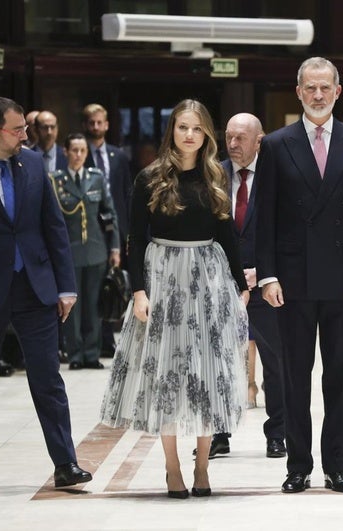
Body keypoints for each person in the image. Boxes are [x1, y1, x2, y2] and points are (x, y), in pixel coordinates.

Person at [99, 99, 250, 499]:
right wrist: (139, 291)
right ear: (172, 131)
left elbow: (228, 235)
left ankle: (202, 465)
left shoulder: (216, 174)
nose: (189, 135)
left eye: (197, 128)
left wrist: (240, 285)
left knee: (205, 373)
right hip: (163, 278)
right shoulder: (149, 177)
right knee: (166, 376)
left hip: (208, 279)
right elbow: (134, 240)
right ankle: (171, 467)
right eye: (183, 127)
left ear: (206, 135)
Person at [0, 96, 92, 493]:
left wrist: (65, 286)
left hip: (35, 286)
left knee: (48, 379)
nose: (26, 135)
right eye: (18, 129)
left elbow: (54, 227)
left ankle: (66, 463)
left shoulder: (34, 166)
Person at [255, 56, 343, 494]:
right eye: (310, 87)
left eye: (325, 87)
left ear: (338, 91)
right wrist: (267, 276)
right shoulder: (275, 144)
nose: (318, 94)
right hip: (291, 280)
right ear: (298, 92)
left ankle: (337, 466)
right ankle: (298, 465)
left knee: (339, 377)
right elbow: (263, 217)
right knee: (295, 376)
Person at [208, 112, 286, 460]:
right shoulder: (213, 175)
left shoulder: (277, 177)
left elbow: (289, 234)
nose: (233, 144)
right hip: (220, 286)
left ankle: (278, 434)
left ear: (260, 140)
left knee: (276, 360)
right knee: (219, 361)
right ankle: (219, 433)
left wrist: (263, 273)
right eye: (229, 137)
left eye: (241, 138)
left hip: (267, 287)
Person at [49, 133, 120, 370]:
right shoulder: (55, 181)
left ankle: (92, 353)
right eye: (74, 150)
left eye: (82, 151)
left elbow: (110, 214)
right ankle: (75, 354)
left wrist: (115, 247)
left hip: (96, 250)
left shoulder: (96, 178)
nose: (78, 155)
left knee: (93, 305)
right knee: (72, 307)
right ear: (65, 152)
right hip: (68, 252)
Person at [82, 103, 133, 357]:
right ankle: (100, 339)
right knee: (94, 287)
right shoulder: (80, 153)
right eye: (91, 122)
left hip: (117, 229)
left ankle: (112, 333)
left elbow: (126, 195)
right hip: (90, 228)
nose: (96, 127)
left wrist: (127, 233)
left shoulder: (119, 156)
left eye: (100, 122)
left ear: (107, 124)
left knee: (114, 283)